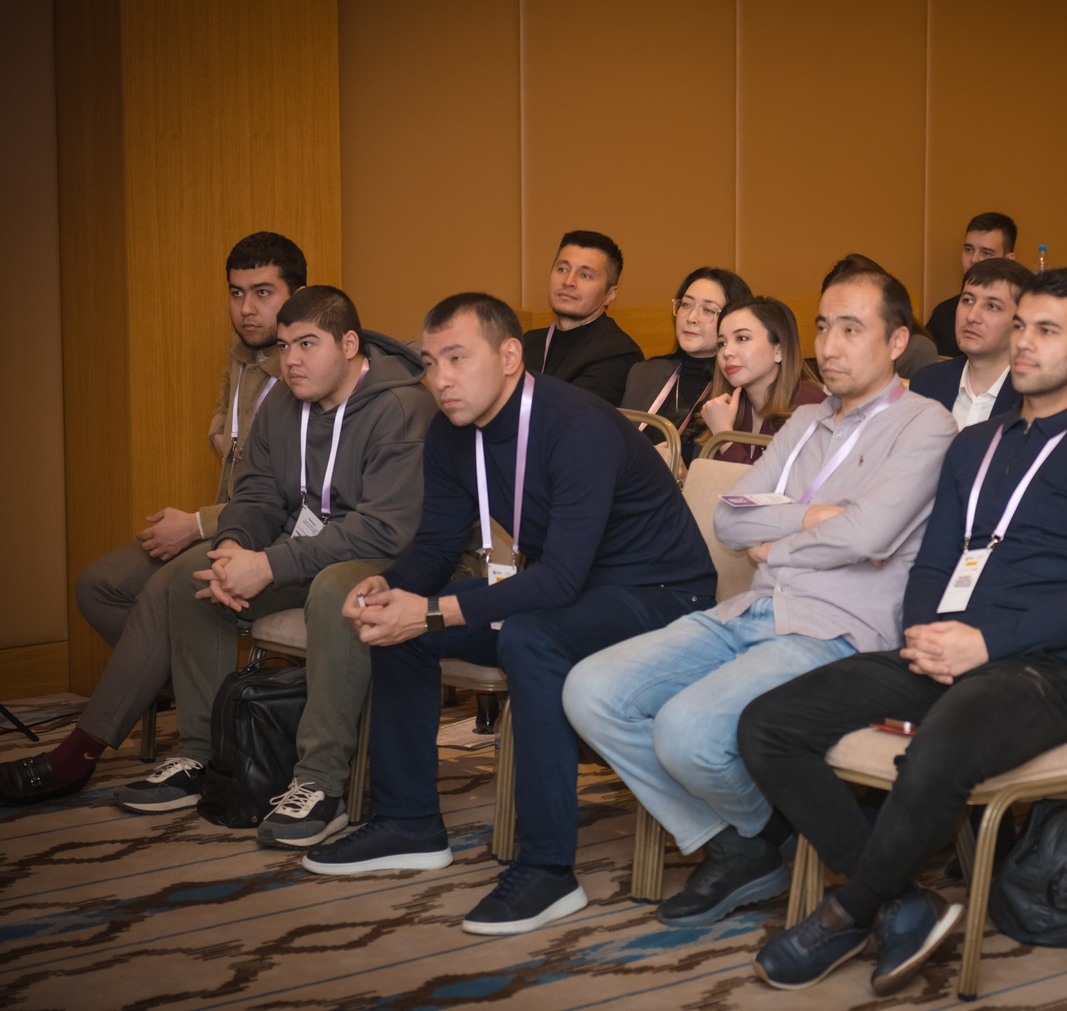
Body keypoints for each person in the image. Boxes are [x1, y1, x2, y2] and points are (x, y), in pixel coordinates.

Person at [738, 268, 1067, 994]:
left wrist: (985, 644)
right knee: (767, 724)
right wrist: (922, 635)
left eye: (1046, 330)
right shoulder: (975, 444)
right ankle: (903, 901)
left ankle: (847, 913)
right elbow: (932, 562)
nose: (1023, 342)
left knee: (933, 751)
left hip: (1037, 672)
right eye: (1020, 326)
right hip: (940, 655)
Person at [300, 293, 715, 936]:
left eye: (457, 358)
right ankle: (409, 822)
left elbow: (559, 578)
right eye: (430, 361)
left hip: (662, 597)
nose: (440, 378)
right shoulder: (451, 432)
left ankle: (549, 870)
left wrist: (431, 611)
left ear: (510, 356)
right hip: (574, 595)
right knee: (402, 634)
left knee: (528, 638)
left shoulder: (576, 424)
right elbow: (436, 547)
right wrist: (389, 588)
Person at [562, 257, 957, 930]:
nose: (830, 345)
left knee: (686, 730)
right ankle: (747, 841)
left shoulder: (926, 424)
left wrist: (780, 539)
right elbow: (730, 518)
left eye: (851, 329)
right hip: (750, 609)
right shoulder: (803, 422)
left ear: (897, 341)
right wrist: (816, 518)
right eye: (823, 327)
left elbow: (871, 534)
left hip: (834, 629)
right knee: (591, 691)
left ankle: (751, 844)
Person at [113, 288, 437, 847]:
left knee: (337, 588)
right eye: (285, 346)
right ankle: (205, 756)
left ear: (349, 344)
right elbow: (257, 493)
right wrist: (233, 549)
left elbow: (384, 528)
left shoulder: (403, 407)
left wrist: (269, 564)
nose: (291, 360)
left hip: (392, 555)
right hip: (307, 548)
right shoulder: (283, 404)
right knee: (196, 574)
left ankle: (320, 783)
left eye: (307, 344)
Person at [0, 231, 301, 805]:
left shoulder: (305, 365)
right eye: (236, 293)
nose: (246, 308)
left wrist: (199, 524)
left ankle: (78, 754)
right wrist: (221, 440)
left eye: (263, 292)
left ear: (297, 296)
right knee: (99, 585)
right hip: (231, 518)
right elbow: (227, 423)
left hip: (267, 533)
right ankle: (207, 697)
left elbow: (289, 496)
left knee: (169, 587)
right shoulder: (241, 353)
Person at [621, 267, 752, 464]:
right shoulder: (644, 374)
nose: (691, 318)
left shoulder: (741, 393)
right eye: (686, 304)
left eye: (708, 310)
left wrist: (686, 476)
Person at [521, 230, 644, 405]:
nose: (568, 281)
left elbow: (568, 414)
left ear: (610, 294)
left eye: (585, 275)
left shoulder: (618, 353)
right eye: (562, 269)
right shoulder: (527, 342)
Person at [699, 296, 826, 464]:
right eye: (722, 343)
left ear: (779, 350)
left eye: (742, 338)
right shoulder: (731, 407)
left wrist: (724, 435)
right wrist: (684, 475)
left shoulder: (810, 406)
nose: (727, 352)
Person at [909, 257, 1031, 427]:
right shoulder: (926, 382)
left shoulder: (1033, 398)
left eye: (992, 306)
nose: (972, 316)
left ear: (1021, 323)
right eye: (967, 300)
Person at [923, 212, 1017, 357]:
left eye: (986, 253)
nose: (974, 259)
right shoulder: (944, 312)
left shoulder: (1022, 315)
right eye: (969, 249)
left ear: (1008, 260)